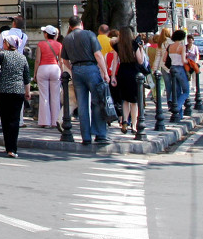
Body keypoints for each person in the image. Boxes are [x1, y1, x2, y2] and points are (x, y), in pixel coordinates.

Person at [60, 16, 110, 145]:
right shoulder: (89, 34)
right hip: (91, 68)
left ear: (70, 26)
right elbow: (98, 54)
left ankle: (86, 136)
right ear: (81, 23)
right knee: (97, 101)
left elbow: (64, 60)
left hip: (77, 70)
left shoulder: (67, 39)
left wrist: (72, 69)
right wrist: (105, 72)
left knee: (82, 105)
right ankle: (100, 134)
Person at [0, 34, 32, 157]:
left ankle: (8, 146)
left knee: (5, 119)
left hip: (2, 91)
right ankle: (12, 148)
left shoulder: (1, 54)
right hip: (18, 91)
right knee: (15, 119)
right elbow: (26, 77)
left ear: (7, 44)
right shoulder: (22, 58)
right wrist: (27, 92)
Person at [112, 27, 146, 134]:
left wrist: (113, 76)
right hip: (134, 73)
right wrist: (141, 48)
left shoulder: (117, 46)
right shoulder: (134, 44)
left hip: (122, 73)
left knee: (125, 100)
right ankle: (134, 125)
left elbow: (114, 62)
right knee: (134, 102)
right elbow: (140, 61)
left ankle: (125, 121)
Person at [34, 25, 63, 129]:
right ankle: (56, 121)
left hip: (43, 68)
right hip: (55, 68)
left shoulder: (40, 44)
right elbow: (61, 60)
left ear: (46, 34)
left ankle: (45, 121)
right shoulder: (59, 45)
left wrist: (35, 73)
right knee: (55, 96)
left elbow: (37, 60)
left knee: (44, 96)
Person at [166, 30, 191, 120]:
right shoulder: (181, 47)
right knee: (186, 91)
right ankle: (176, 106)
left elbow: (165, 59)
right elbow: (183, 60)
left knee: (176, 91)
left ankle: (179, 115)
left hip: (172, 68)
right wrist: (189, 61)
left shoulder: (170, 46)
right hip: (180, 68)